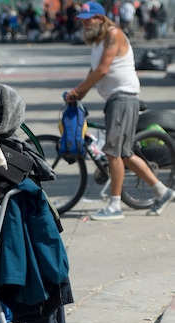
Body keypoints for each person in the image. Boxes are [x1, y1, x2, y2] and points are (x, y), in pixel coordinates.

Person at [69, 2, 174, 220]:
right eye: (83, 20)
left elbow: (102, 70)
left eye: (89, 19)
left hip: (123, 97)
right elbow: (92, 74)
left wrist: (77, 90)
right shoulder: (98, 43)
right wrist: (77, 96)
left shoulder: (113, 34)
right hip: (115, 99)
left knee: (113, 151)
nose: (85, 23)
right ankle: (162, 191)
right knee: (124, 153)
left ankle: (115, 206)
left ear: (100, 18)